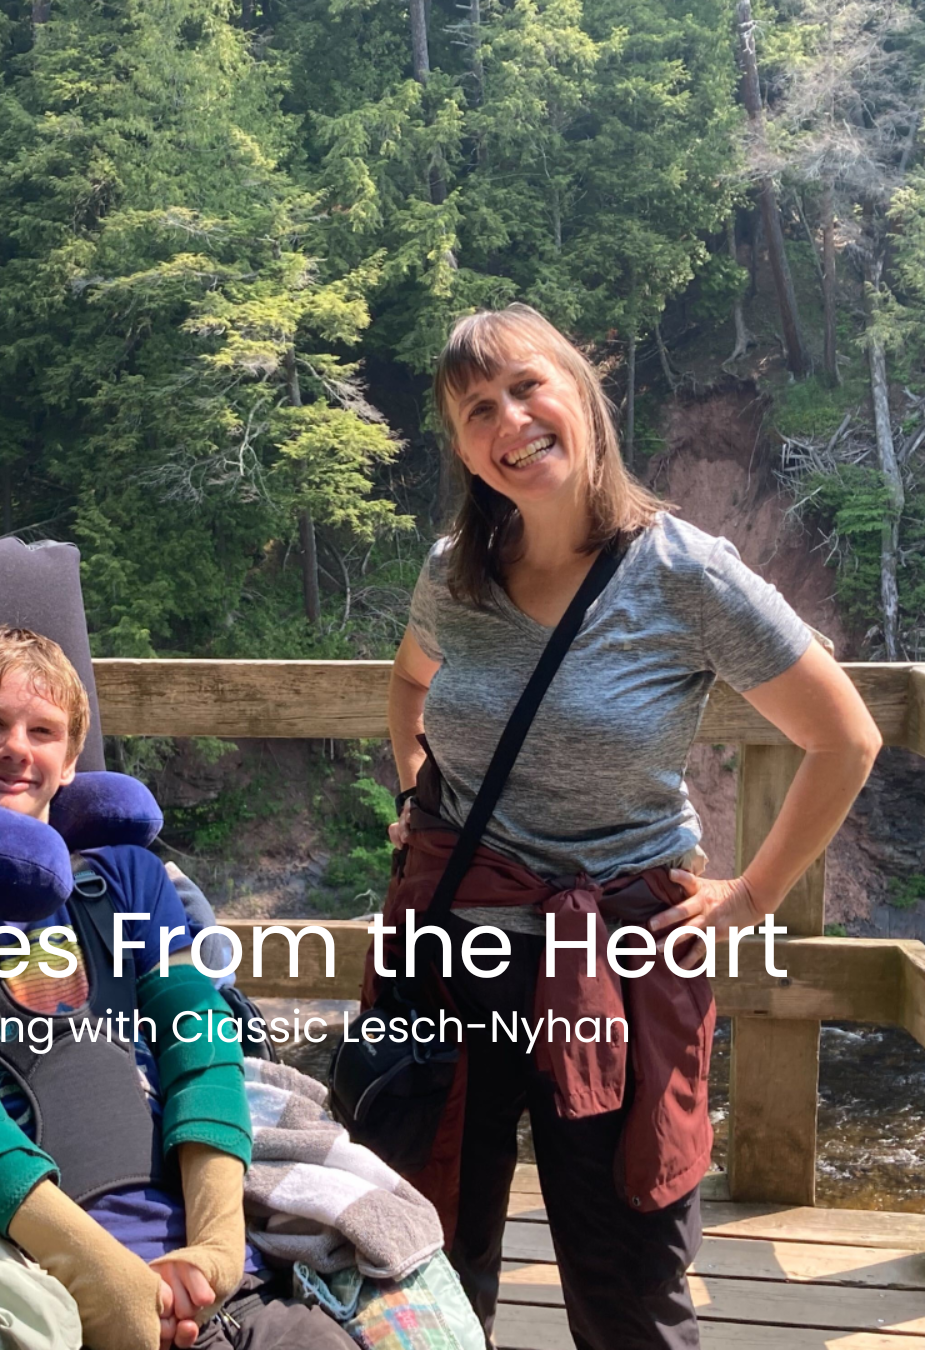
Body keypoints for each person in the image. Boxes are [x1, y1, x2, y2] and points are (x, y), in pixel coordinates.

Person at [379, 304, 882, 1350]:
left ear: (580, 393)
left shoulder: (682, 572)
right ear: (464, 448)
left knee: (628, 1281)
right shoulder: (454, 571)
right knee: (424, 1255)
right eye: (477, 410)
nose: (508, 421)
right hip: (453, 951)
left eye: (526, 387)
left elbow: (846, 738)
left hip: (615, 962)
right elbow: (409, 681)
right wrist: (415, 792)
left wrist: (751, 896)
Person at [0, 626, 358, 1350]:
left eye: (43, 731)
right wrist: (106, 1283)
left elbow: (203, 1049)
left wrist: (217, 1250)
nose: (16, 749)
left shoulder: (126, 879)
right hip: (18, 1289)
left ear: (69, 763)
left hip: (215, 1282)